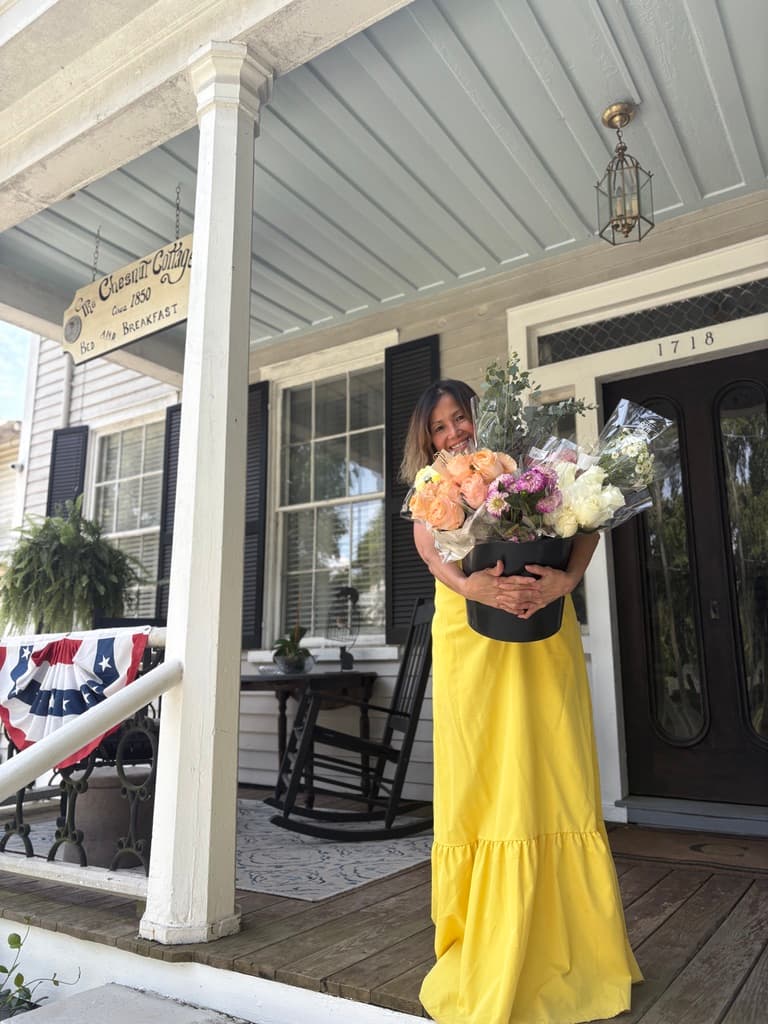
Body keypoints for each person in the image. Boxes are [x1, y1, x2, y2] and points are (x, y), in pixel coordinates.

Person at [402, 379, 642, 1024]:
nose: (454, 434)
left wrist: (567, 577)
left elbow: (587, 518)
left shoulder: (529, 468)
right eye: (440, 427)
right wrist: (471, 586)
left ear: (480, 418)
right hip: (469, 633)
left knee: (553, 764)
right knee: (485, 772)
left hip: (543, 622)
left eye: (461, 419)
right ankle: (489, 940)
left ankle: (575, 944)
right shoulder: (432, 485)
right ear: (427, 438)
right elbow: (430, 551)